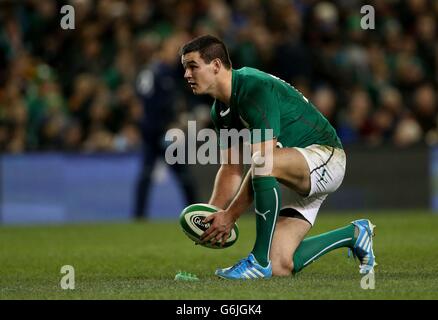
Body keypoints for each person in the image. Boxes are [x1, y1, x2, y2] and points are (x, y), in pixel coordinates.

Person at [180, 35, 376, 279]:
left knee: (264, 162)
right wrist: (212, 215)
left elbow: (265, 160)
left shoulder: (253, 87)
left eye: (193, 66)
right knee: (280, 266)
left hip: (325, 157)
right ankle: (354, 234)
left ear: (217, 65)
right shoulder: (221, 110)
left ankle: (258, 261)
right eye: (185, 67)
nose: (187, 74)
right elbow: (231, 169)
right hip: (294, 168)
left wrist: (230, 216)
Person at [134, 35, 198, 219]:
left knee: (179, 174)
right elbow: (145, 101)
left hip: (162, 132)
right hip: (156, 132)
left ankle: (194, 213)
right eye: (173, 50)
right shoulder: (153, 71)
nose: (177, 55)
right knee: (152, 175)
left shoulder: (170, 73)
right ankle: (139, 215)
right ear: (162, 50)